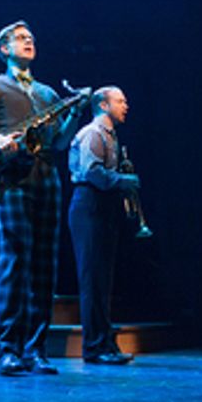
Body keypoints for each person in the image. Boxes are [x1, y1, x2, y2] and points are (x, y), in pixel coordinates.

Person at [0, 21, 83, 376]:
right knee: (16, 257)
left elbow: (60, 143)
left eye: (31, 37)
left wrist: (74, 112)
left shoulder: (47, 93)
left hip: (45, 174)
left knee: (45, 262)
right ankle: (8, 349)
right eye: (20, 38)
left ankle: (36, 349)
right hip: (9, 173)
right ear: (4, 48)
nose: (29, 41)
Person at [67, 86, 137, 366]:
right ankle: (95, 346)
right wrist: (123, 181)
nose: (126, 105)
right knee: (93, 280)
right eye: (120, 101)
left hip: (103, 205)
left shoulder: (112, 136)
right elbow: (91, 172)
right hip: (90, 204)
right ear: (104, 106)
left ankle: (104, 342)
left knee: (103, 280)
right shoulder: (93, 133)